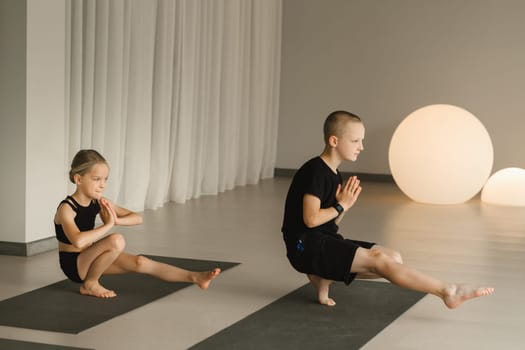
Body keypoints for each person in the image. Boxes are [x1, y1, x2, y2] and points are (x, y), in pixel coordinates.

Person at [281, 110, 494, 308]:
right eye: (355, 141)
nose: (361, 146)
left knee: (393, 258)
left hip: (323, 242)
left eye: (361, 140)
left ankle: (324, 275)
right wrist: (340, 205)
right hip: (304, 248)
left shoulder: (334, 174)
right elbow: (310, 220)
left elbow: (330, 224)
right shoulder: (315, 172)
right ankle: (448, 290)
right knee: (381, 262)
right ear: (334, 141)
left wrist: (344, 206)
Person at [54, 149, 221, 298]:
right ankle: (90, 283)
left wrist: (117, 219)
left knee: (140, 262)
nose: (102, 185)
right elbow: (78, 241)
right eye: (96, 179)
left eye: (105, 179)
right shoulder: (67, 209)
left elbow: (136, 218)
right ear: (78, 179)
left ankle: (196, 277)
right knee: (116, 240)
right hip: (75, 265)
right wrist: (108, 225)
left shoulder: (98, 202)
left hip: (93, 256)